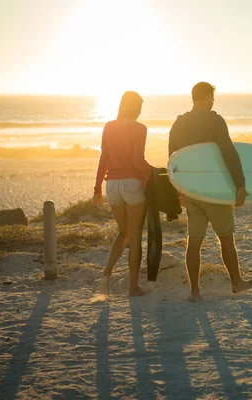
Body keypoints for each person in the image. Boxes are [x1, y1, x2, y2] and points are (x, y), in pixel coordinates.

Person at [169, 82, 252, 302]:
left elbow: (173, 160)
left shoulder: (178, 124)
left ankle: (195, 291)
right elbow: (228, 152)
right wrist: (240, 184)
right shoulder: (215, 120)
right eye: (213, 97)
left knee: (194, 242)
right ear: (207, 96)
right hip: (214, 191)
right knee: (226, 238)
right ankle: (236, 282)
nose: (213, 102)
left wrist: (179, 190)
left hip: (191, 191)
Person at [93, 91, 152, 297]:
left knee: (122, 232)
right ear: (135, 108)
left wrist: (97, 188)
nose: (140, 111)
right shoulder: (140, 128)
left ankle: (106, 276)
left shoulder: (109, 126)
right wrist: (151, 171)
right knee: (134, 237)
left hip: (112, 186)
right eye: (140, 107)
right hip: (131, 185)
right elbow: (137, 161)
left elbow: (104, 158)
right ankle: (134, 287)